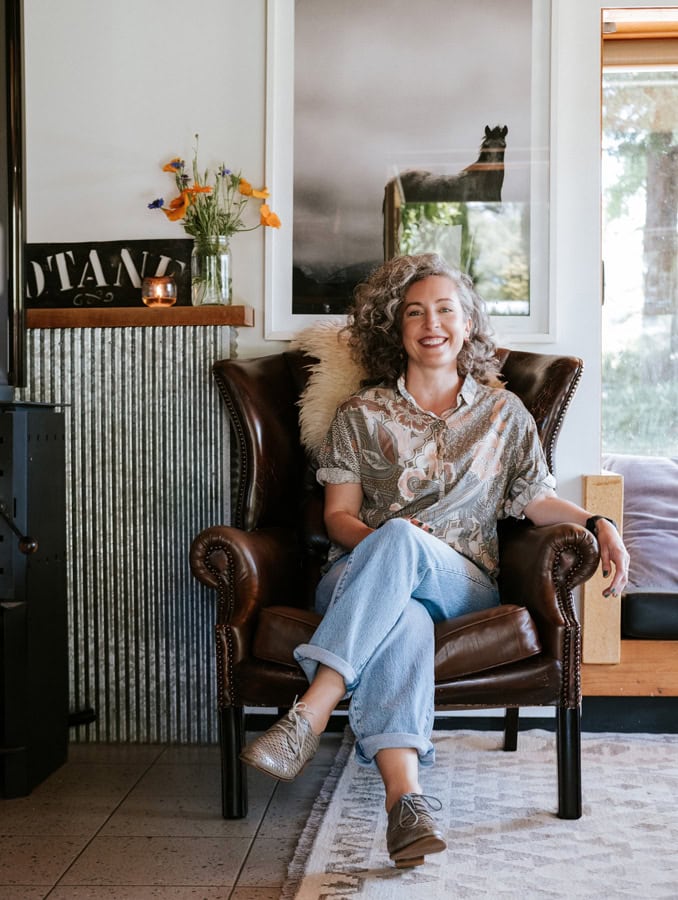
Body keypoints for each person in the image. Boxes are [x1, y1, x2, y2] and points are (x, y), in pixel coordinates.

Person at [240, 253, 629, 868]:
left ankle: (310, 712)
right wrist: (389, 538)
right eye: (415, 312)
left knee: (403, 544)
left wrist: (596, 521)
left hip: (461, 578)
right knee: (407, 614)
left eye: (445, 309)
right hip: (359, 576)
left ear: (467, 323)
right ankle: (407, 803)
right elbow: (339, 517)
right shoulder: (361, 415)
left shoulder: (504, 414)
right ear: (396, 330)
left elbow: (536, 500)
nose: (432, 323)